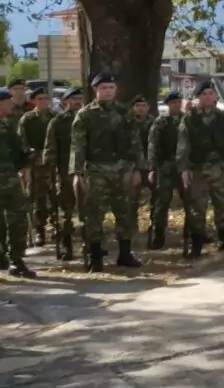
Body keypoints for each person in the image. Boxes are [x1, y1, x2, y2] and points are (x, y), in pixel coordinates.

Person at [71, 73, 143, 272]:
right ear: (95, 90)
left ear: (116, 89)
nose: (108, 91)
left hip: (122, 169)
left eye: (111, 87)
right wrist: (77, 172)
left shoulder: (125, 112)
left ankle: (125, 253)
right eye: (103, 88)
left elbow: (135, 142)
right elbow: (78, 145)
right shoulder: (85, 115)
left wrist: (138, 169)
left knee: (125, 212)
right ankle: (95, 256)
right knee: (94, 213)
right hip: (96, 170)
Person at [177, 80, 224, 256]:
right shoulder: (190, 118)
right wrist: (184, 168)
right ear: (198, 97)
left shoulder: (222, 117)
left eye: (210, 93)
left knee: (223, 205)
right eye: (203, 94)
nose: (207, 97)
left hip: (221, 168)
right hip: (198, 170)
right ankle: (196, 244)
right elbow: (183, 145)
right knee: (197, 208)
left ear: (215, 96)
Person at [43, 87, 83, 261]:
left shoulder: (87, 119)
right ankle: (66, 243)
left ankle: (92, 244)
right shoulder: (57, 122)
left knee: (90, 209)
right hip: (65, 171)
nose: (77, 102)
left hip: (87, 171)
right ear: (65, 101)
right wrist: (51, 171)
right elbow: (50, 149)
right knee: (65, 210)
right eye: (73, 99)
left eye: (80, 98)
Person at [146, 92, 189, 250]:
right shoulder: (161, 122)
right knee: (161, 203)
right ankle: (159, 235)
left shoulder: (187, 120)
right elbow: (153, 146)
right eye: (173, 103)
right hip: (165, 167)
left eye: (178, 102)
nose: (176, 105)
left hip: (184, 167)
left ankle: (191, 233)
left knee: (190, 201)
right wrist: (152, 168)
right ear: (168, 105)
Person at [0, 88, 33, 278]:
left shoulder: (7, 125)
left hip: (10, 180)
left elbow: (20, 149)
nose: (11, 105)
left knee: (18, 218)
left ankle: (17, 260)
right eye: (7, 102)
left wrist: (25, 166)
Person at [17, 87, 54, 248]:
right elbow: (22, 141)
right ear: (33, 101)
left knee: (56, 196)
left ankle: (56, 226)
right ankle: (39, 230)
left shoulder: (55, 117)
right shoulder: (27, 119)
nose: (44, 101)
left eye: (46, 98)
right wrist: (28, 157)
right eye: (40, 99)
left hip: (53, 162)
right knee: (38, 198)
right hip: (36, 163)